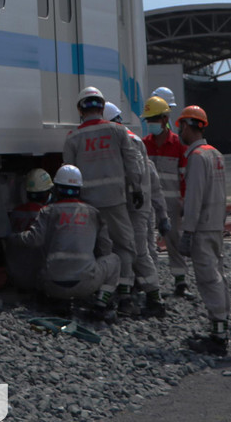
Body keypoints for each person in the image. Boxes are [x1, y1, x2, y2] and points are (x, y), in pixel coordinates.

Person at [63, 87, 145, 308]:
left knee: (96, 247)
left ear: (81, 109)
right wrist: (136, 188)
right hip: (115, 200)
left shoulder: (73, 138)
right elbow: (132, 162)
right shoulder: (117, 131)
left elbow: (68, 172)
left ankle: (98, 290)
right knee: (125, 244)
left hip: (87, 203)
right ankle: (125, 292)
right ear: (102, 106)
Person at [10, 164, 122, 314]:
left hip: (51, 285)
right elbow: (105, 248)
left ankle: (53, 299)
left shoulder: (47, 211)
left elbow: (33, 240)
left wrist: (12, 237)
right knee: (114, 259)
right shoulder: (93, 213)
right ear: (79, 189)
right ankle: (101, 303)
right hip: (86, 284)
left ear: (56, 189)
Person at [176, 106, 230, 356]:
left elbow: (194, 198)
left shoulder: (197, 157)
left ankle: (218, 337)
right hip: (216, 225)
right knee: (217, 276)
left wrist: (188, 232)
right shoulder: (215, 154)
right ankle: (217, 329)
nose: (180, 132)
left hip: (202, 227)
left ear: (188, 126)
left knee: (209, 279)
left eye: (181, 127)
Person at [106, 101, 165, 317]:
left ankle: (154, 298)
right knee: (129, 250)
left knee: (138, 251)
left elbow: (137, 173)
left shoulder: (126, 140)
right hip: (135, 204)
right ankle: (129, 294)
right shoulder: (132, 139)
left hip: (134, 205)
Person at [143, 93, 190, 298]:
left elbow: (185, 176)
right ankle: (149, 283)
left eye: (154, 119)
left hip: (171, 203)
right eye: (149, 120)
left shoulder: (178, 145)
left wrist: (185, 201)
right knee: (146, 242)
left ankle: (180, 281)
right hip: (149, 201)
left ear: (164, 119)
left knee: (174, 240)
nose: (151, 124)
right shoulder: (144, 144)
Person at [5, 168, 54, 295]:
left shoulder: (16, 212)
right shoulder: (47, 214)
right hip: (40, 280)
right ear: (46, 193)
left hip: (17, 277)